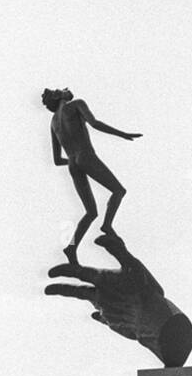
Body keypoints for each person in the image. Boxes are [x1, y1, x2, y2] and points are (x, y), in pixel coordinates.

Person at [42, 88, 142, 261]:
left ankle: (71, 248)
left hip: (73, 163)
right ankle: (107, 226)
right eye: (62, 89)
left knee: (90, 212)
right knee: (118, 191)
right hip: (85, 156)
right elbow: (94, 123)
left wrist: (74, 160)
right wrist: (123, 134)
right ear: (59, 96)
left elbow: (57, 160)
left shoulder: (53, 122)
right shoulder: (76, 104)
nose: (67, 89)